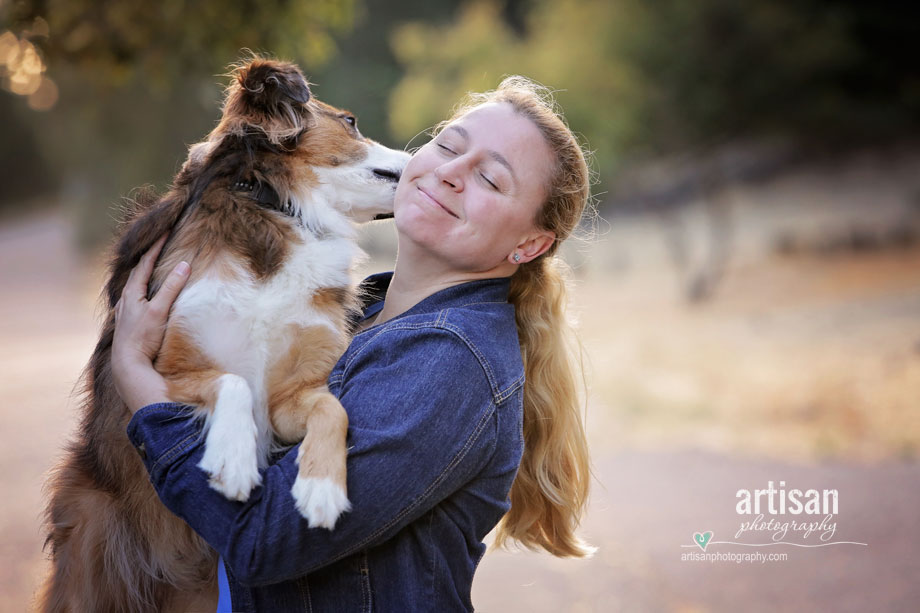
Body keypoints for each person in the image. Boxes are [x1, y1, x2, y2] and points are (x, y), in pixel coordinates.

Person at [112, 75, 595, 612]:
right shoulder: (364, 313)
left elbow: (265, 542)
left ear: (529, 244)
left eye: (489, 179)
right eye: (448, 146)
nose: (451, 173)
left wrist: (141, 385)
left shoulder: (450, 361)